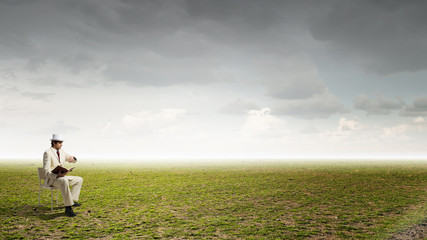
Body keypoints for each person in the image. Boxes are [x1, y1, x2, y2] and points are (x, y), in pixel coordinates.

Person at [43, 134, 83, 217]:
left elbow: (69, 158)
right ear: (54, 142)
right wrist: (57, 175)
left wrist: (73, 159)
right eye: (60, 142)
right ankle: (68, 208)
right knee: (64, 180)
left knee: (79, 179)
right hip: (52, 179)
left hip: (62, 177)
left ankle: (71, 201)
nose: (62, 144)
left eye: (62, 142)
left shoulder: (62, 151)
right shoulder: (47, 153)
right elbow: (46, 171)